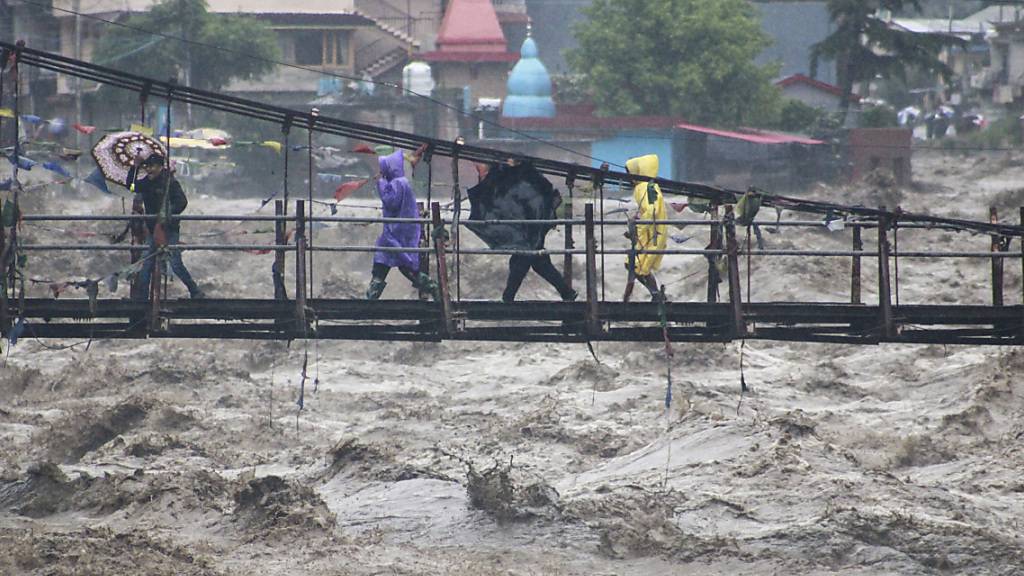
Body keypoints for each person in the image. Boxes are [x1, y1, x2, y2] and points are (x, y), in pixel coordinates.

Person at [127, 153, 205, 299]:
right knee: (146, 264)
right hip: (153, 231)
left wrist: (168, 212)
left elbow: (182, 202)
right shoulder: (146, 182)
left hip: (169, 229)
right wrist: (134, 168)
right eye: (147, 167)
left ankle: (195, 291)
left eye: (153, 167)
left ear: (161, 167)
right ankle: (141, 300)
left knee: (175, 263)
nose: (150, 170)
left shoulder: (169, 182)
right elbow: (131, 187)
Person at [367, 149, 432, 300]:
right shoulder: (400, 182)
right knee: (384, 261)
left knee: (401, 263)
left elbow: (391, 202)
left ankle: (431, 287)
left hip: (398, 232)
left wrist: (381, 183)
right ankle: (371, 296)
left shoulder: (398, 183)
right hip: (396, 231)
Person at [622, 154, 667, 302]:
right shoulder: (651, 186)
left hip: (651, 235)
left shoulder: (644, 187)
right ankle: (656, 295)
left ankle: (655, 295)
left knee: (636, 265)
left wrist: (639, 228)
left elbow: (650, 211)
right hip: (653, 233)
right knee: (639, 265)